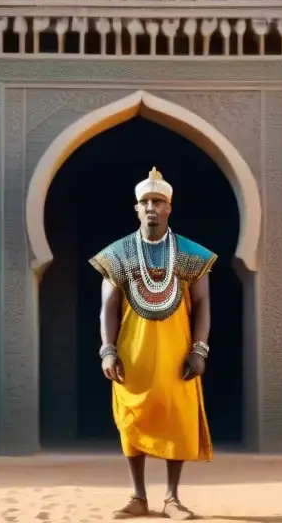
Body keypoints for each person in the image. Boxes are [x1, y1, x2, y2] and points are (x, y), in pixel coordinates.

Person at [89, 167, 215, 520]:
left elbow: (203, 304)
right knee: (133, 420)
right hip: (132, 354)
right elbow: (108, 307)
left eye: (158, 201)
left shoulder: (192, 254)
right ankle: (138, 496)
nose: (151, 208)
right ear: (136, 208)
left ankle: (172, 498)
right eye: (145, 201)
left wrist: (199, 348)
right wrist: (107, 349)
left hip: (178, 354)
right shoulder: (117, 254)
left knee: (177, 418)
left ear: (169, 208)